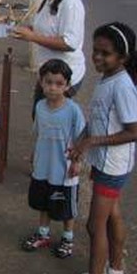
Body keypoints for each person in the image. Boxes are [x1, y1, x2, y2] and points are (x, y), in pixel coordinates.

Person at [68, 23, 137, 274]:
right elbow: (98, 120)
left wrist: (92, 141)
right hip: (103, 162)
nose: (97, 57)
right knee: (112, 217)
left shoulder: (121, 86)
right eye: (95, 51)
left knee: (94, 226)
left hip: (113, 166)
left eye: (105, 53)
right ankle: (115, 272)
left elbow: (134, 132)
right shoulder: (106, 78)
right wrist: (81, 142)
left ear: (122, 57)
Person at [21, 59, 86, 259]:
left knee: (66, 208)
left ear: (67, 85)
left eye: (59, 84)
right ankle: (43, 234)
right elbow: (39, 133)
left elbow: (81, 138)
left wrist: (77, 162)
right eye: (48, 82)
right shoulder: (40, 106)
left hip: (64, 170)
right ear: (41, 82)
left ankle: (67, 238)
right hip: (43, 167)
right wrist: (34, 153)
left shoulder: (73, 110)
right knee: (43, 202)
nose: (53, 88)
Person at [12, 0, 86, 117]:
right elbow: (47, 28)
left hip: (63, 79)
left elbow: (69, 43)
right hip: (48, 74)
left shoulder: (71, 3)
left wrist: (32, 37)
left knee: (51, 125)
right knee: (41, 120)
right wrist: (27, 31)